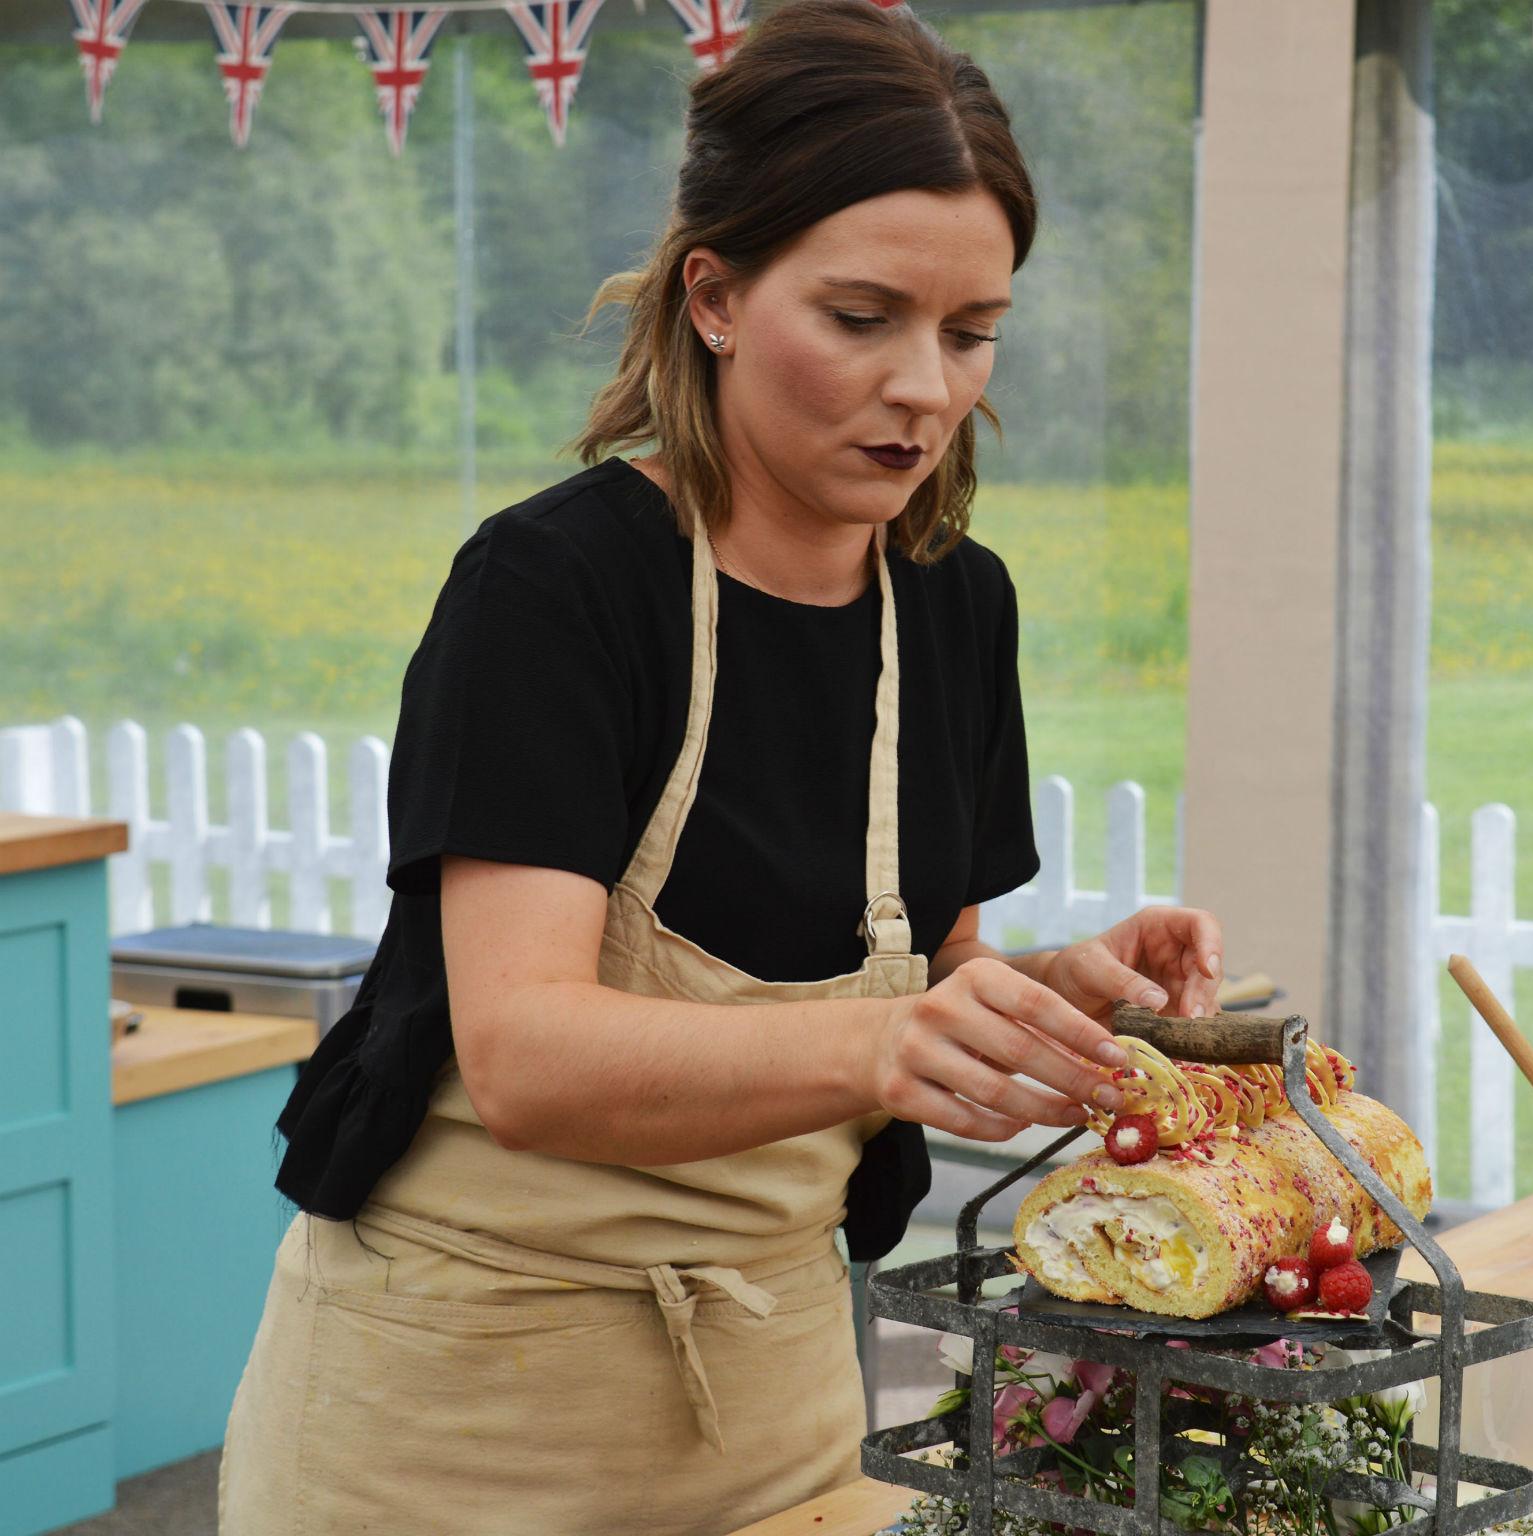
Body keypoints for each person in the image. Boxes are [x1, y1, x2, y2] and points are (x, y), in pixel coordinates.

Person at [216, 3, 1223, 1531]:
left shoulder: (955, 601)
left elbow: (922, 960)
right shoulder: (554, 591)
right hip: (451, 1405)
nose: (925, 391)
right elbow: (528, 1055)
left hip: (778, 1396)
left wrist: (1048, 999)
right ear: (717, 296)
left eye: (971, 333)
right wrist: (888, 1053)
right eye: (863, 318)